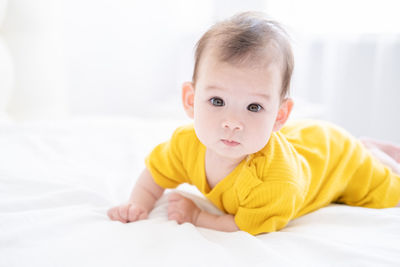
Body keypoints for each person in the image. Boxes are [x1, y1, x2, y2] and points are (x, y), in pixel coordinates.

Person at [107, 11, 400, 235]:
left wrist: (198, 217)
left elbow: (244, 226)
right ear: (190, 100)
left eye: (254, 107)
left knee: (390, 193)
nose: (233, 123)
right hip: (305, 141)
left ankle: (370, 154)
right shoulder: (186, 143)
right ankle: (367, 145)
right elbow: (155, 174)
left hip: (337, 156)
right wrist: (138, 204)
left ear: (279, 116)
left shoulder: (275, 182)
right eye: (217, 102)